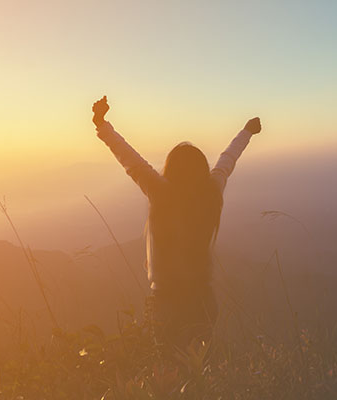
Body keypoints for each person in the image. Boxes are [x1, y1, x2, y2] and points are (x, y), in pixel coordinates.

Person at [91, 95, 261, 353]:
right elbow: (227, 161)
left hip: (166, 302)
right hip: (203, 301)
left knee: (167, 371)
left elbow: (131, 161)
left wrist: (102, 125)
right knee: (197, 369)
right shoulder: (211, 193)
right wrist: (247, 131)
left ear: (172, 169)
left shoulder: (162, 194)